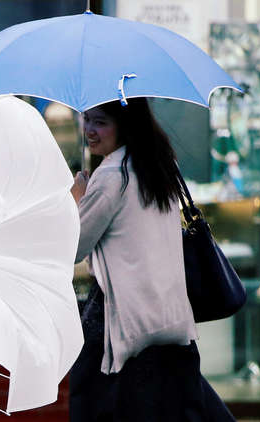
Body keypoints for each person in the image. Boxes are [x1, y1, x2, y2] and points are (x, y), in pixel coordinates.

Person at [68, 98, 235, 421]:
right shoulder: (160, 165)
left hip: (123, 323)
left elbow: (75, 246)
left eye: (100, 121)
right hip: (169, 322)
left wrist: (78, 200)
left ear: (124, 124)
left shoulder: (112, 176)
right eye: (86, 119)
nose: (89, 130)